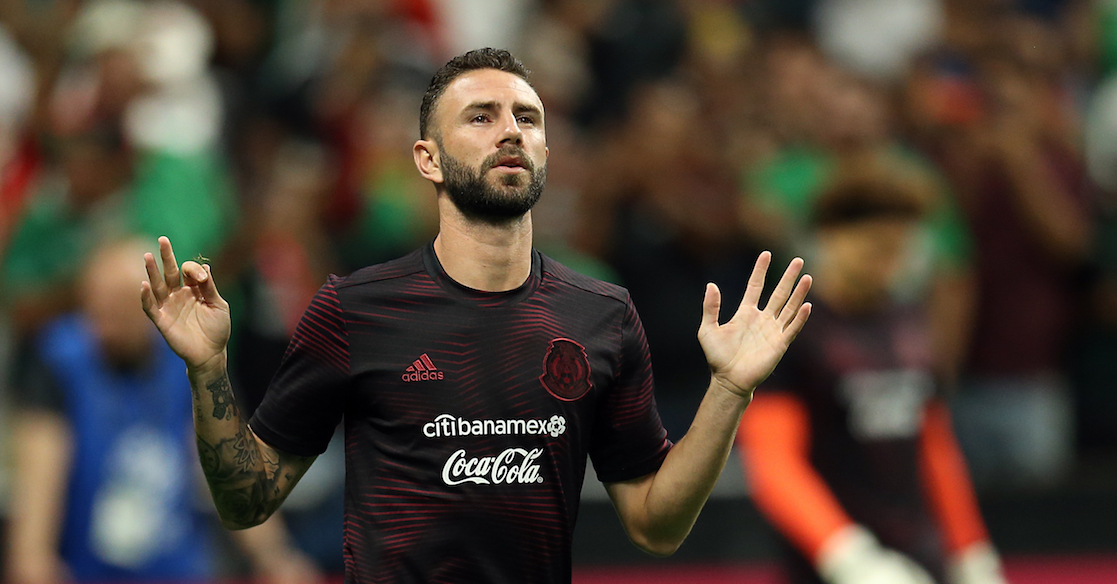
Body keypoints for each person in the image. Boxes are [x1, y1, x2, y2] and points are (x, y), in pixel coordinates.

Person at [139, 48, 812, 582]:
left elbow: (654, 525)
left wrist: (729, 390)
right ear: (427, 159)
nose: (511, 130)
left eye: (528, 118)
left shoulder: (602, 316)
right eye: (481, 117)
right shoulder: (354, 309)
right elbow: (246, 501)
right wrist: (208, 368)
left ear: (545, 152)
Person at [735, 174, 1006, 584]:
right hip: (831, 569)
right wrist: (847, 555)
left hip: (919, 559)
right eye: (875, 247)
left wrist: (971, 550)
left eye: (899, 249)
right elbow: (773, 462)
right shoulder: (791, 332)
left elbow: (933, 446)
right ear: (829, 238)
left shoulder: (910, 322)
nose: (888, 264)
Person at [5, 238, 321, 584]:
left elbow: (227, 461)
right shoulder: (58, 361)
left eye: (118, 304)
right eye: (94, 303)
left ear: (150, 304)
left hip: (179, 570)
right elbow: (39, 483)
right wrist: (32, 557)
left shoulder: (187, 356)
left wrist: (275, 557)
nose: (101, 320)